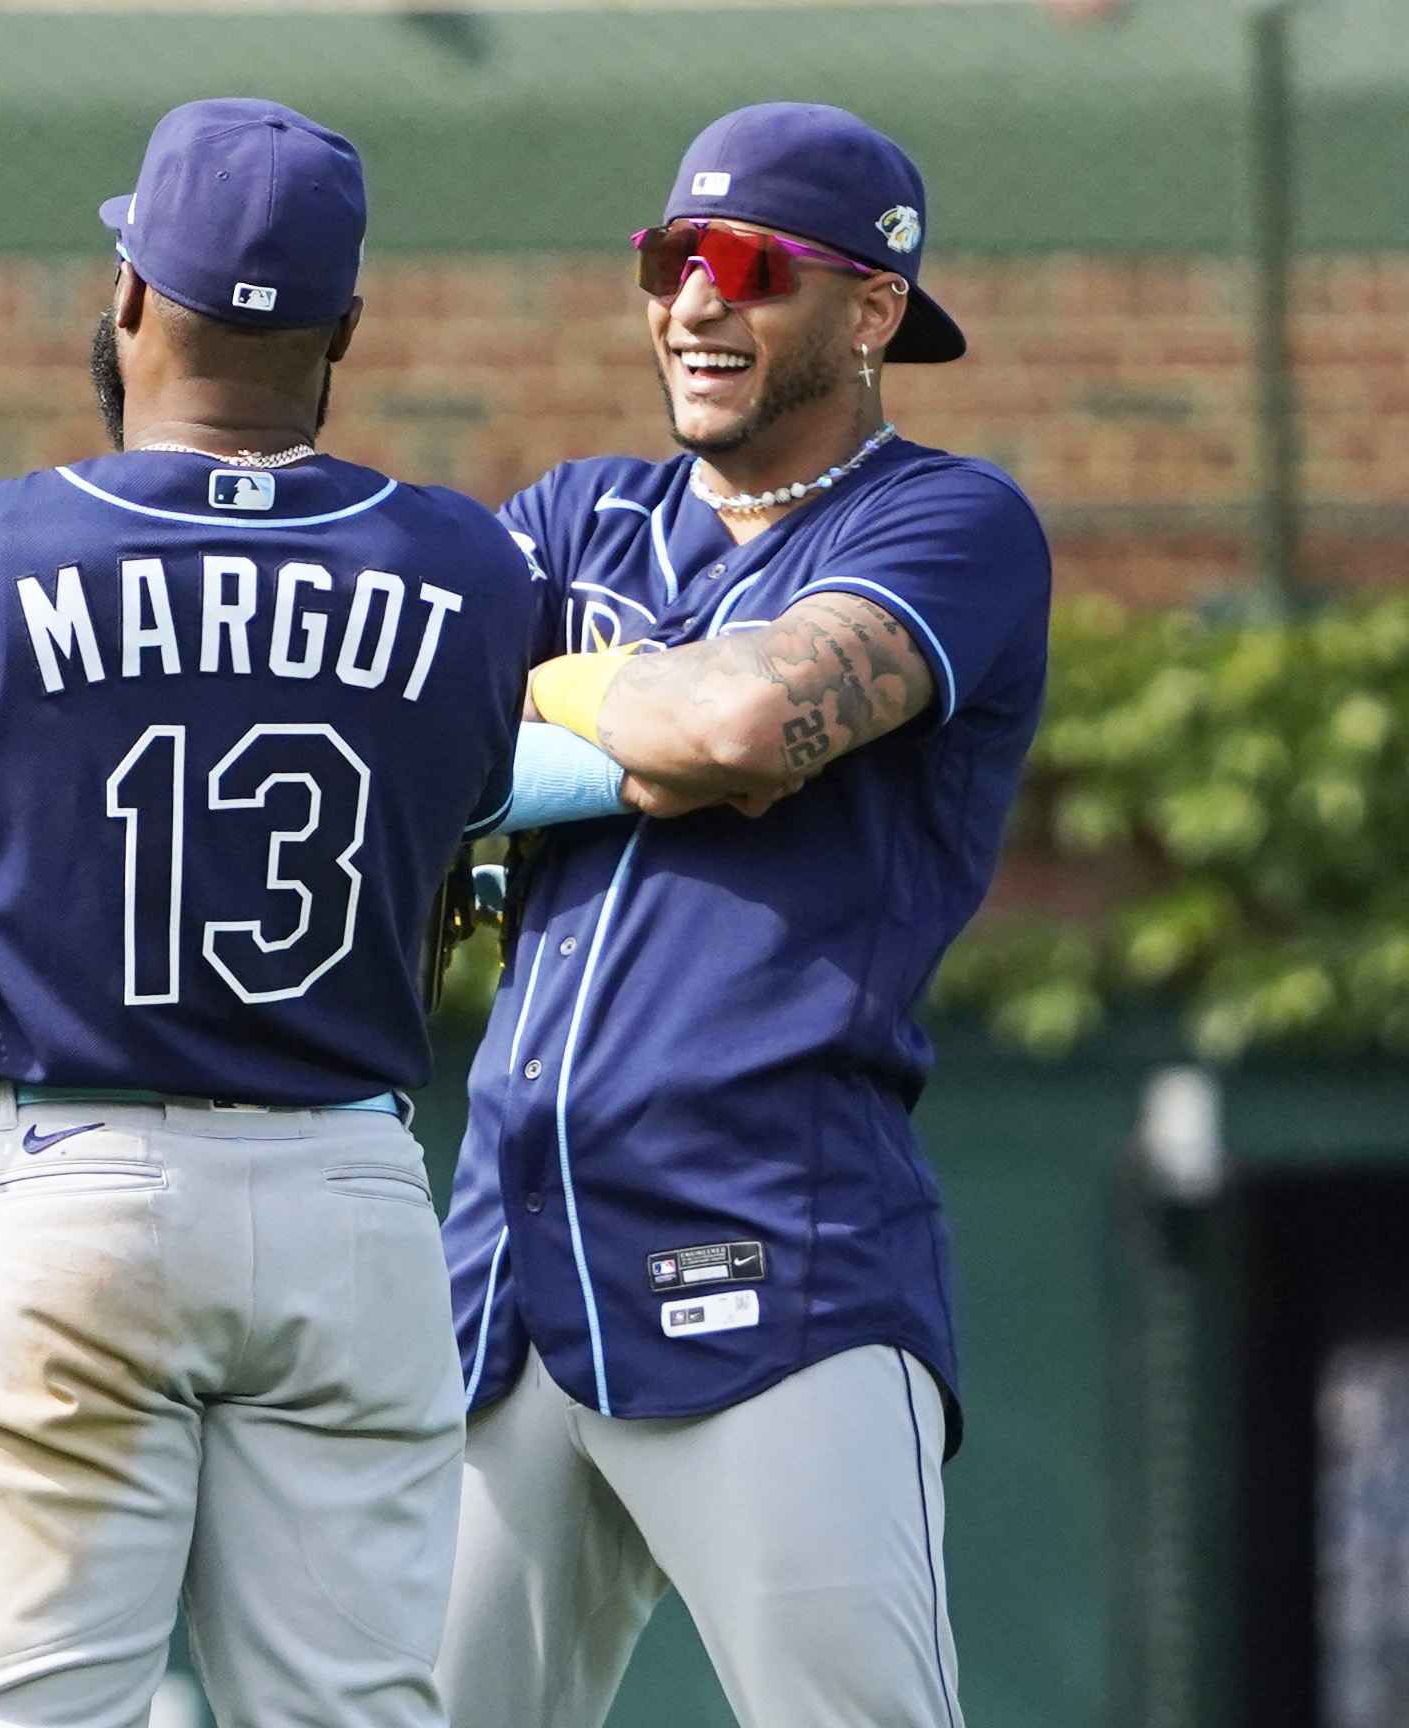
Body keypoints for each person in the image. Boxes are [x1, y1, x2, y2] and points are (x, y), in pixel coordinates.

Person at [0, 99, 535, 1728]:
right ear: (347, 327)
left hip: (73, 1176)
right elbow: (458, 825)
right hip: (348, 1179)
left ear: (130, 295)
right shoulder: (472, 568)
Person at [435, 104, 1052, 1728]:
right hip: (507, 1268)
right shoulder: (577, 517)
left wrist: (571, 699)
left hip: (776, 1252)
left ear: (869, 312)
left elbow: (740, 731)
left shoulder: (950, 523)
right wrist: (623, 739)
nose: (697, 302)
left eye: (751, 267)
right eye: (670, 260)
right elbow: (404, 738)